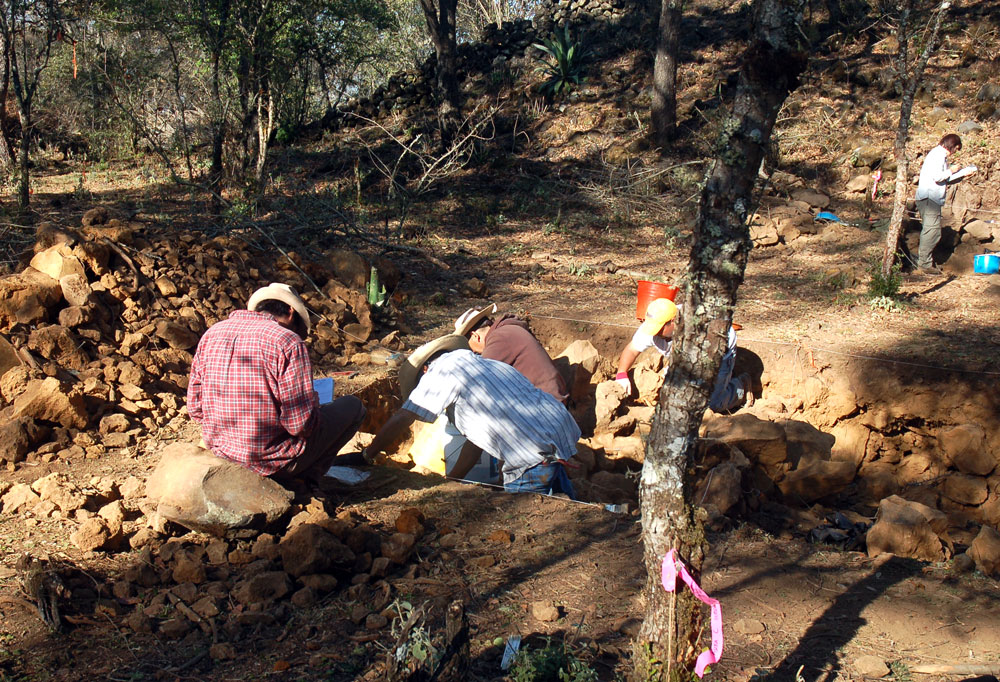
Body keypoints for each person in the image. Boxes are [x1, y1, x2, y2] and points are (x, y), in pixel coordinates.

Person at [187, 283, 366, 484]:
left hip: (221, 453)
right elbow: (299, 426)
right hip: (270, 462)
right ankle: (305, 480)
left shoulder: (212, 333)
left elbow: (195, 409)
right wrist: (313, 407)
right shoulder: (288, 341)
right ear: (291, 312)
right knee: (353, 406)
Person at [364, 335, 580, 497]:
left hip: (530, 449)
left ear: (425, 371)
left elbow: (404, 416)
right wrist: (452, 481)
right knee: (565, 503)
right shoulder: (484, 366)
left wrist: (369, 453)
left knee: (527, 521)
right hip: (558, 428)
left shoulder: (441, 371)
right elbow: (476, 442)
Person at [614, 297, 751, 413]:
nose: (654, 333)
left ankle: (741, 387)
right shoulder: (652, 327)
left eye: (659, 329)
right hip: (685, 358)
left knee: (711, 406)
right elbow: (631, 349)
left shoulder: (699, 328)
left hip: (718, 355)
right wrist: (621, 374)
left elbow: (701, 366)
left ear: (674, 320)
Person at [454, 304, 568, 403]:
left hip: (547, 404)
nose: (474, 352)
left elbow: (480, 382)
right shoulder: (508, 329)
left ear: (475, 336)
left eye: (472, 348)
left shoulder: (499, 338)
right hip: (551, 398)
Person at [915, 133, 976, 272]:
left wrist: (962, 175)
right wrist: (952, 170)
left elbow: (944, 179)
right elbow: (938, 177)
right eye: (956, 149)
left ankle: (925, 262)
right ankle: (924, 265)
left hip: (929, 198)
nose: (954, 152)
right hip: (929, 198)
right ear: (952, 146)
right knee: (932, 232)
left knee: (931, 230)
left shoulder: (938, 155)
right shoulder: (937, 155)